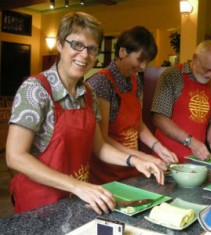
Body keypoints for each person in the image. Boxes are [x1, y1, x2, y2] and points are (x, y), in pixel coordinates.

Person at [6, 12, 163, 215]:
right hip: (40, 204)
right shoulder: (35, 90)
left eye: (91, 48)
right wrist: (77, 186)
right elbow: (15, 156)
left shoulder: (88, 94)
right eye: (77, 45)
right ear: (60, 45)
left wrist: (136, 161)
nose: (85, 55)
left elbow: (99, 146)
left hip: (76, 200)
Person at [86, 26, 177, 184]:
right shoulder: (101, 83)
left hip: (131, 168)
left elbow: (138, 125)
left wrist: (158, 148)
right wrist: (143, 157)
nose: (143, 67)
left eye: (146, 62)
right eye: (140, 60)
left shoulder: (135, 81)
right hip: (106, 173)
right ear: (122, 52)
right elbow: (103, 138)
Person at [151, 39, 211, 163]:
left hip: (195, 161)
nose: (209, 75)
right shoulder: (173, 75)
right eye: (207, 69)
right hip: (166, 159)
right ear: (195, 58)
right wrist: (190, 142)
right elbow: (159, 117)